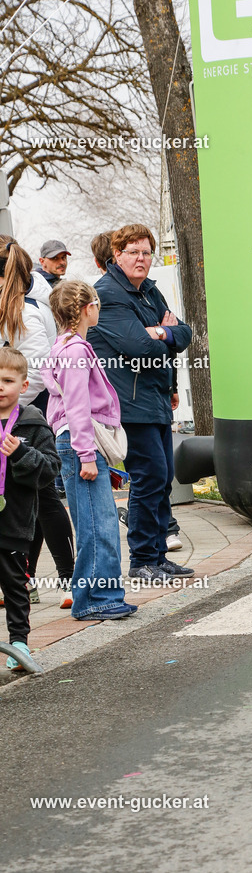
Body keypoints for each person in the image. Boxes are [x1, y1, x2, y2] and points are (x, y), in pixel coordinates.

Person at [88, 224, 194, 581]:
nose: (141, 259)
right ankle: (142, 560)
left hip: (156, 398)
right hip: (129, 404)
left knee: (163, 479)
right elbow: (138, 347)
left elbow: (184, 333)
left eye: (146, 252)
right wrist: (161, 336)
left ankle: (158, 556)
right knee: (149, 478)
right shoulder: (109, 294)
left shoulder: (150, 292)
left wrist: (162, 332)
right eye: (132, 252)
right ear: (116, 256)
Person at [41, 281, 138, 620]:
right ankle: (98, 598)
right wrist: (86, 456)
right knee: (100, 526)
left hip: (76, 442)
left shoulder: (62, 347)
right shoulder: (76, 351)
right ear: (86, 308)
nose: (99, 308)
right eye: (96, 303)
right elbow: (78, 407)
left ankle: (98, 595)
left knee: (94, 523)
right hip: (81, 443)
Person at [0, 236, 75, 606]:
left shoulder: (26, 311)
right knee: (26, 497)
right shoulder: (12, 306)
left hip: (30, 415)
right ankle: (24, 578)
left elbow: (42, 374)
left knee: (44, 497)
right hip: (15, 412)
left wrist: (9, 411)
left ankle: (70, 581)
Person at [0, 347, 60, 671]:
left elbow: (51, 469)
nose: (0, 386)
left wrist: (22, 455)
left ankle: (19, 642)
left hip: (16, 521)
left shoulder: (33, 424)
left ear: (23, 386)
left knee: (14, 584)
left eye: (7, 380)